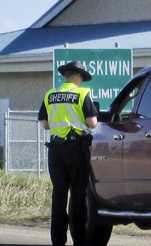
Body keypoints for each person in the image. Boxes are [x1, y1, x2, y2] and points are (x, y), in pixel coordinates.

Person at [38, 60, 98, 246]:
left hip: (55, 151)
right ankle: (79, 241)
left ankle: (58, 241)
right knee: (78, 196)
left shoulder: (50, 95)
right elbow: (92, 123)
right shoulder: (82, 94)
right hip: (76, 150)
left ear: (66, 77)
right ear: (78, 77)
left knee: (59, 196)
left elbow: (46, 124)